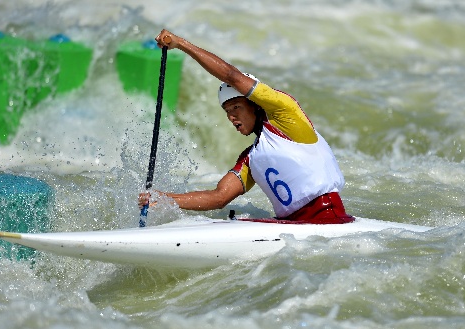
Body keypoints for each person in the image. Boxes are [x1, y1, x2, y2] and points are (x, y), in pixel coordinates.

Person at [138, 29, 354, 224]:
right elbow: (219, 197)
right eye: (227, 112)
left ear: (255, 105)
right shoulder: (251, 158)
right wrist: (164, 198)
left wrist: (181, 44)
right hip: (294, 226)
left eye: (236, 107)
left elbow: (231, 75)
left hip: (329, 218)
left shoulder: (286, 116)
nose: (231, 117)